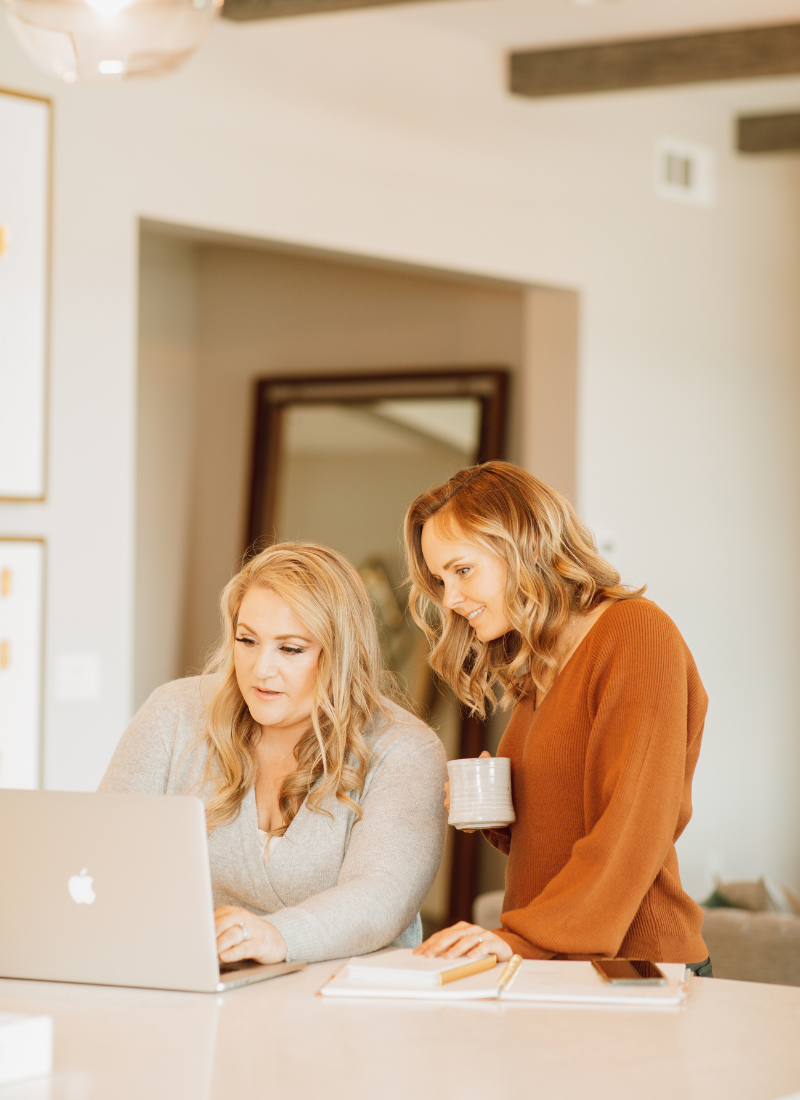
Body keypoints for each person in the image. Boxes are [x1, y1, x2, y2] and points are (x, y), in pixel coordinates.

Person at [404, 462, 711, 976]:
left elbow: (633, 827)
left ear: (524, 546)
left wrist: (521, 938)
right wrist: (501, 811)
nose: (451, 600)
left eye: (462, 571)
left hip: (635, 965)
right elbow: (560, 824)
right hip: (557, 961)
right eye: (441, 580)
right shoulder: (540, 667)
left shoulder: (637, 635)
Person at [99, 542, 447, 966]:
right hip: (198, 985)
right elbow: (103, 855)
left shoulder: (405, 749)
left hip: (344, 1002)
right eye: (247, 640)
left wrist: (277, 936)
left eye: (291, 649)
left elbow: (382, 896)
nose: (261, 669)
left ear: (341, 654)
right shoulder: (173, 712)